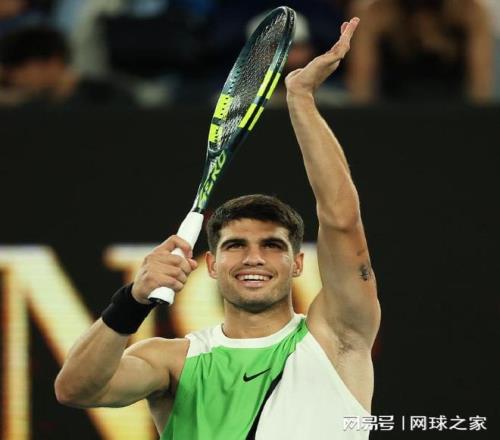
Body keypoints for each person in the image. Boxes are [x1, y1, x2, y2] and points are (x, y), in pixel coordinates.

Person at [55, 18, 380, 439]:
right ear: (210, 264)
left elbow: (341, 219)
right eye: (236, 245)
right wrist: (132, 301)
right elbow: (75, 389)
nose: (254, 258)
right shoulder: (172, 361)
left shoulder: (337, 337)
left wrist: (300, 98)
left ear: (299, 264)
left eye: (272, 245)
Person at [346, 0, 493, 103]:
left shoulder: (469, 14)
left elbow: (480, 91)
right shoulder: (376, 15)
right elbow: (361, 90)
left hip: (454, 116)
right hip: (391, 117)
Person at [0, 25, 135, 107]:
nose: (12, 79)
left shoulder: (110, 98)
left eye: (17, 69)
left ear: (52, 63)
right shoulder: (23, 105)